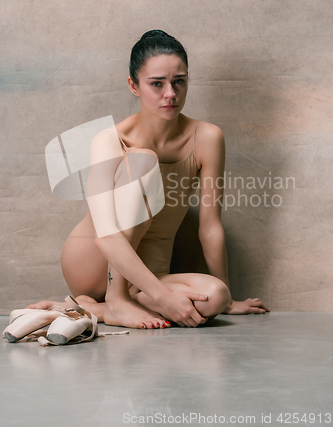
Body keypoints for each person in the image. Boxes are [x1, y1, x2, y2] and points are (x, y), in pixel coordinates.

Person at [28, 30, 269, 329]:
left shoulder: (207, 137)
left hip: (148, 274)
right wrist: (165, 299)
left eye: (179, 81)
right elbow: (105, 236)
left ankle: (92, 310)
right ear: (134, 86)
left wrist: (229, 300)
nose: (170, 93)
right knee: (142, 160)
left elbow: (210, 227)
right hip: (94, 262)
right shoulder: (109, 140)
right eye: (157, 84)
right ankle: (114, 300)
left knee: (215, 296)